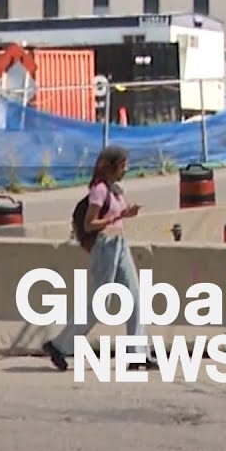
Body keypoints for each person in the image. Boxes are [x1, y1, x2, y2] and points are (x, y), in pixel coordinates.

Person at [43, 146, 147, 372]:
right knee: (100, 305)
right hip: (105, 247)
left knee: (135, 296)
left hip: (119, 244)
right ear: (112, 166)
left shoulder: (116, 190)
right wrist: (119, 216)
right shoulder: (99, 190)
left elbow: (116, 216)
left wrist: (125, 213)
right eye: (123, 165)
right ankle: (59, 346)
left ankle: (138, 354)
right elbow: (89, 224)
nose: (126, 169)